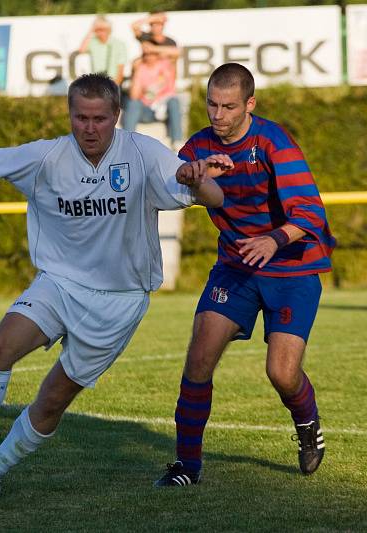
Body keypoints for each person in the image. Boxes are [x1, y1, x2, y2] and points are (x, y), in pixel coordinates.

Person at [0, 73, 230, 488]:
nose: (90, 128)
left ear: (117, 116)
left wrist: (198, 180)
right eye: (81, 118)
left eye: (99, 119)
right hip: (58, 283)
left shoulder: (143, 153)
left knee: (52, 401)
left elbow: (214, 198)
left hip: (120, 300)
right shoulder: (46, 156)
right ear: (69, 115)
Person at [153, 63, 336, 487]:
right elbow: (192, 190)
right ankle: (187, 466)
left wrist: (274, 239)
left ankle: (307, 424)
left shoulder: (274, 142)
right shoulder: (198, 145)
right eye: (212, 104)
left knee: (282, 373)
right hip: (236, 267)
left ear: (249, 104)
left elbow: (311, 212)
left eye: (228, 106)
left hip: (292, 266)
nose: (218, 114)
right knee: (199, 358)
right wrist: (189, 177)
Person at [122, 42, 182, 149]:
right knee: (133, 104)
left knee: (174, 101)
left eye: (151, 53)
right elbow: (134, 96)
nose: (149, 56)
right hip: (148, 111)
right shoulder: (141, 68)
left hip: (164, 108)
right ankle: (127, 143)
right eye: (146, 54)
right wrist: (135, 72)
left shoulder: (165, 64)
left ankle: (176, 142)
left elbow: (178, 52)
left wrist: (154, 48)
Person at [77, 15, 127, 87]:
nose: (100, 32)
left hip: (113, 82)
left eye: (103, 29)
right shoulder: (93, 42)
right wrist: (91, 30)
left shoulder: (119, 44)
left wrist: (114, 87)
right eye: (97, 29)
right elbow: (81, 50)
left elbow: (120, 68)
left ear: (109, 30)